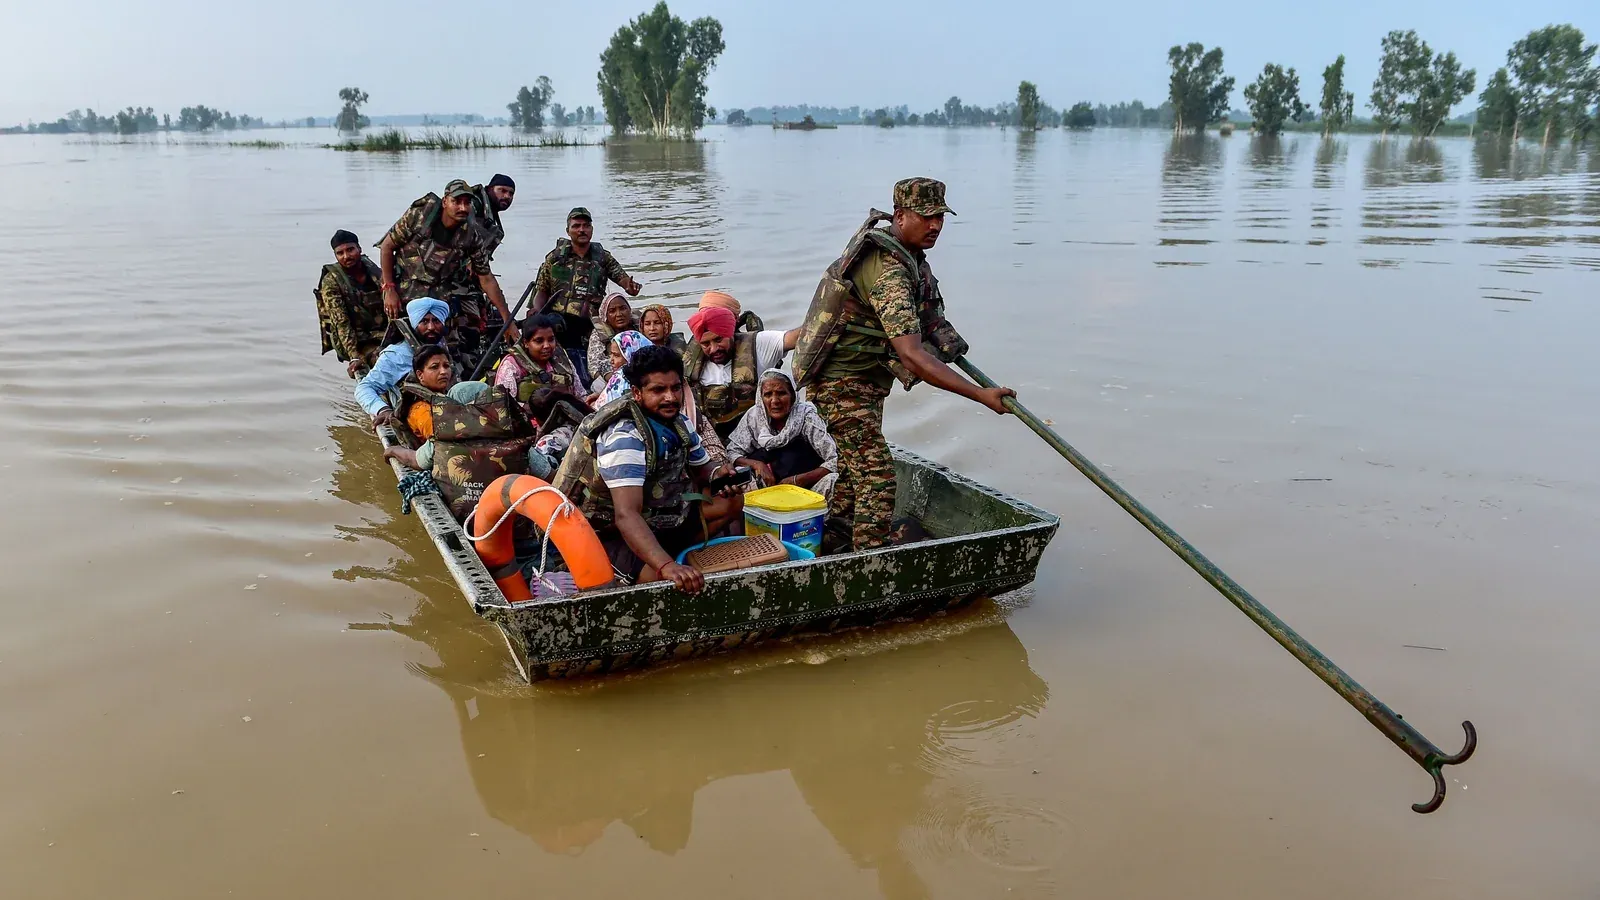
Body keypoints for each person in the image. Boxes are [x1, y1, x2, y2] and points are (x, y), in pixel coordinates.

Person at [791, 178, 1015, 552]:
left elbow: (928, 319)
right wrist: (981, 395)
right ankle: (867, 566)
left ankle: (832, 542)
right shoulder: (890, 270)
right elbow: (912, 355)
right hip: (842, 384)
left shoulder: (908, 257)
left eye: (940, 217)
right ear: (900, 215)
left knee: (852, 472)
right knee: (877, 479)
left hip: (863, 383)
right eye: (926, 217)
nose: (935, 226)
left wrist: (949, 343)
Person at [552, 345, 746, 593]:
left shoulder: (678, 421)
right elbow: (626, 515)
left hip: (656, 516)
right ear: (637, 392)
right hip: (606, 530)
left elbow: (703, 469)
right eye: (658, 390)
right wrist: (666, 566)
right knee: (660, 582)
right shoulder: (624, 437)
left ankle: (664, 551)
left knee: (731, 500)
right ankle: (656, 560)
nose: (671, 397)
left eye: (675, 388)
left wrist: (719, 474)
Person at [379, 178, 519, 367]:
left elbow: (486, 278)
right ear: (445, 202)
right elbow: (387, 247)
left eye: (467, 203)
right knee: (400, 343)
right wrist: (389, 289)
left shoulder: (471, 235)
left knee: (448, 346)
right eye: (457, 202)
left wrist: (507, 319)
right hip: (404, 287)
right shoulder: (420, 215)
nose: (462, 208)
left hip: (440, 292)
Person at [531, 207, 641, 382]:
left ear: (591, 229)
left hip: (590, 321)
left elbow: (622, 277)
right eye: (576, 226)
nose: (581, 230)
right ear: (568, 231)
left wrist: (630, 287)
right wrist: (537, 313)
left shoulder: (603, 257)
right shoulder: (555, 258)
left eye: (586, 225)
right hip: (561, 320)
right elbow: (542, 289)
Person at [682, 298, 801, 440]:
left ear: (731, 332)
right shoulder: (690, 361)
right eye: (706, 344)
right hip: (713, 438)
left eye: (719, 340)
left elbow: (800, 337)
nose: (713, 349)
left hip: (758, 436)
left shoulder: (758, 345)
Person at [725, 369, 839, 499]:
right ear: (760, 398)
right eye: (768, 395)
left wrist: (798, 480)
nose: (775, 401)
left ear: (793, 396)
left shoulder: (806, 418)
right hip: (768, 484)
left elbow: (834, 460)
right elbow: (732, 453)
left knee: (833, 480)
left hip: (806, 488)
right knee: (737, 480)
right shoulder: (754, 417)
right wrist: (758, 465)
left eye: (781, 393)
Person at [355, 297, 450, 427]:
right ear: (414, 323)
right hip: (415, 414)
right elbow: (364, 388)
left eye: (436, 321)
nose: (431, 327)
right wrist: (383, 410)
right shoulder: (396, 355)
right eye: (424, 321)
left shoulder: (441, 345)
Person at [316, 229, 388, 378]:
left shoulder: (373, 270)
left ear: (359, 249)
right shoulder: (331, 282)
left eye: (350, 250)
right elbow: (341, 322)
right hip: (358, 339)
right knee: (383, 361)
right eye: (340, 253)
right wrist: (354, 355)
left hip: (384, 332)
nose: (346, 256)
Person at [382, 345, 459, 466]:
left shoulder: (445, 395)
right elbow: (445, 447)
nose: (443, 371)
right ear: (420, 375)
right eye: (435, 367)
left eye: (446, 366)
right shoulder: (422, 410)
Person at [493, 313, 582, 413]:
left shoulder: (562, 361)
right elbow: (502, 404)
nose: (547, 345)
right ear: (526, 343)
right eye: (539, 341)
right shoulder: (512, 364)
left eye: (551, 339)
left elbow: (580, 394)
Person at [586, 293, 640, 386]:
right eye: (612, 311)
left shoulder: (640, 326)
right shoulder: (599, 333)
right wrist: (613, 381)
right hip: (609, 376)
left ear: (629, 310)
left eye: (623, 308)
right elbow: (594, 367)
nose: (619, 314)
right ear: (605, 315)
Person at [588, 330, 654, 406]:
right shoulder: (653, 373)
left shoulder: (621, 377)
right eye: (611, 354)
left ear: (631, 354)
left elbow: (601, 408)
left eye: (616, 355)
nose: (611, 360)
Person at [469, 174, 516, 258]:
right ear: (490, 189)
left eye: (511, 193)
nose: (507, 196)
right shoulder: (474, 204)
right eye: (502, 191)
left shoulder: (490, 214)